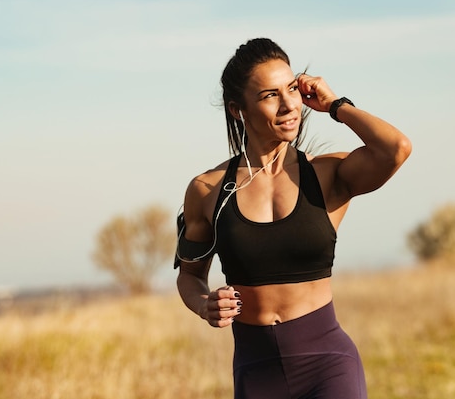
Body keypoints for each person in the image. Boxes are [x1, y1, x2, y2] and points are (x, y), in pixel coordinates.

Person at [174, 38, 411, 399]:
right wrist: (203, 304)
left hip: (328, 365)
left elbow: (396, 148)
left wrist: (335, 105)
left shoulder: (327, 176)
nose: (289, 105)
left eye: (291, 89)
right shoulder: (207, 191)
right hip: (256, 373)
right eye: (270, 95)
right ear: (238, 110)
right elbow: (190, 277)